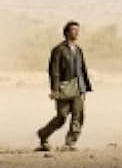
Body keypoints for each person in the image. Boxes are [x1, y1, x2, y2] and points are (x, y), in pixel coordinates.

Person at [36, 20, 92, 152]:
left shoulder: (79, 50)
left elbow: (82, 70)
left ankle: (70, 143)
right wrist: (54, 89)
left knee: (78, 115)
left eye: (78, 30)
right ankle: (43, 134)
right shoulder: (58, 50)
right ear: (66, 33)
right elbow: (53, 71)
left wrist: (84, 88)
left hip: (78, 87)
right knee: (61, 117)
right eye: (74, 30)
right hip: (64, 87)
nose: (77, 32)